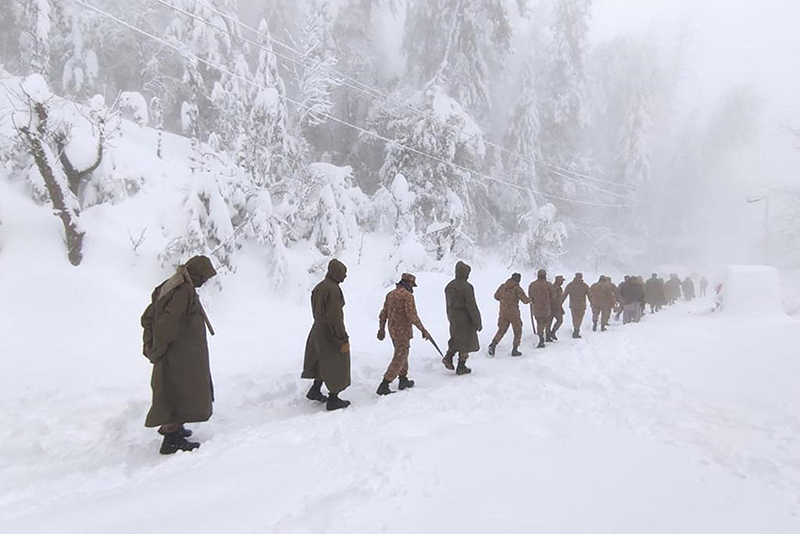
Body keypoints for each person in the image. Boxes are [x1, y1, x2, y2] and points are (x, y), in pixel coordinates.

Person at [141, 255, 217, 455]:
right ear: (197, 274)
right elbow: (168, 322)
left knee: (177, 390)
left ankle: (176, 427)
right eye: (204, 278)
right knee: (179, 391)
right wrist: (158, 347)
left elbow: (148, 315)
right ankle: (171, 438)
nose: (204, 282)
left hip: (180, 352)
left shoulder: (172, 285)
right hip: (180, 354)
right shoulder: (183, 291)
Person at [302, 259, 352, 411]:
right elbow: (335, 316)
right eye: (343, 273)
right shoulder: (333, 290)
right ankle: (333, 398)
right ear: (336, 273)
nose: (345, 277)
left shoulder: (320, 287)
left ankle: (315, 389)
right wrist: (341, 337)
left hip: (317, 329)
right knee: (336, 363)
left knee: (319, 360)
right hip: (329, 333)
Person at [376, 273, 431, 395]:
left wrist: (381, 329)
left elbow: (383, 313)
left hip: (392, 330)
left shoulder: (390, 294)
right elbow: (412, 316)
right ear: (409, 284)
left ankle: (403, 379)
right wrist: (423, 330)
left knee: (402, 352)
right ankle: (385, 384)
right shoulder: (407, 296)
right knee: (400, 355)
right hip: (403, 331)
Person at [443, 261, 482, 375]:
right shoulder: (467, 287)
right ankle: (461, 366)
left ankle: (448, 357)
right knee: (466, 341)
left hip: (453, 317)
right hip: (465, 318)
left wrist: (450, 317)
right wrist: (477, 321)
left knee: (456, 338)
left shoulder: (449, 286)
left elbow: (448, 305)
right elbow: (471, 306)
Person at [488, 273, 531, 357]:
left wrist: (504, 300)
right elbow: (525, 300)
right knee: (518, 330)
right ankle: (515, 350)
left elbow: (496, 296)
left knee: (501, 330)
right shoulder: (517, 289)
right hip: (514, 314)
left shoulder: (502, 286)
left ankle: (493, 345)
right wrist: (531, 299)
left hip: (503, 312)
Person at [528, 269, 555, 348]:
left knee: (539, 322)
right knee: (545, 322)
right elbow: (553, 295)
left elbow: (530, 296)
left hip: (536, 307)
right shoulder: (548, 285)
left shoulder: (532, 285)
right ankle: (543, 338)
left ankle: (541, 337)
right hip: (546, 307)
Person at [562, 272, 590, 338]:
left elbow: (564, 295)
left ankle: (576, 329)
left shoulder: (570, 285)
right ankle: (576, 330)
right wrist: (592, 303)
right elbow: (590, 295)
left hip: (573, 305)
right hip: (581, 305)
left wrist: (560, 303)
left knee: (574, 317)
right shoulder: (584, 285)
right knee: (579, 318)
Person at [549, 275, 566, 340]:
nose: (562, 282)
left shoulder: (552, 287)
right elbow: (554, 297)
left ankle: (549, 334)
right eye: (562, 280)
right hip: (556, 307)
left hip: (553, 306)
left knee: (550, 321)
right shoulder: (557, 288)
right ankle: (552, 332)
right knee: (560, 320)